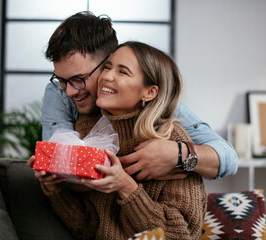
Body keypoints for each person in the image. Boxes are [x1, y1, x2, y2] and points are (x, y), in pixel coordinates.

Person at [35, 11, 238, 181]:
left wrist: (176, 154)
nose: (70, 91)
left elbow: (227, 157)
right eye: (61, 79)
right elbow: (61, 164)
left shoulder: (153, 97)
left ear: (109, 63)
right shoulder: (57, 92)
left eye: (79, 78)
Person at [34, 41, 207, 239]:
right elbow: (88, 227)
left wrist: (125, 186)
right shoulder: (86, 128)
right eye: (107, 67)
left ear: (149, 92)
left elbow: (180, 235)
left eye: (123, 72)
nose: (106, 76)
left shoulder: (172, 140)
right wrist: (54, 189)